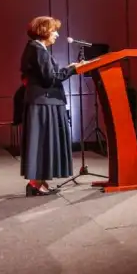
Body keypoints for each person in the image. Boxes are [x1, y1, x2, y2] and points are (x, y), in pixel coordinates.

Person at [20, 16, 82, 196]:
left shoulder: (37, 48)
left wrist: (69, 68)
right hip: (43, 103)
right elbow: (50, 79)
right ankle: (35, 184)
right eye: (54, 30)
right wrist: (72, 69)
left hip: (44, 101)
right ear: (44, 31)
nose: (56, 34)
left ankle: (39, 182)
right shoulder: (37, 49)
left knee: (43, 143)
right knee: (42, 143)